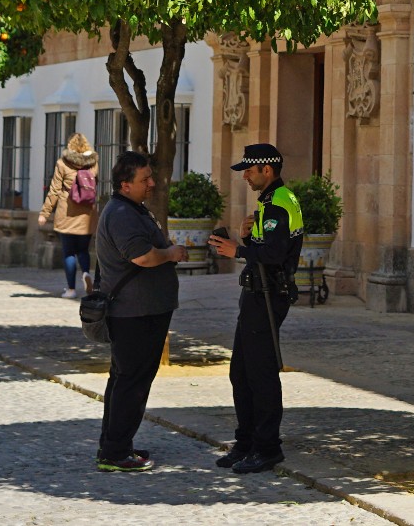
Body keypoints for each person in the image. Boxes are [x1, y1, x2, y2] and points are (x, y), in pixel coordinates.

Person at [207, 142, 302, 475]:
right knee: (241, 373)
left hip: (267, 295)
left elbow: (275, 255)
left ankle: (267, 448)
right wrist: (248, 239)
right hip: (257, 293)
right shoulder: (269, 201)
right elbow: (268, 247)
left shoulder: (279, 202)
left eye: (250, 169)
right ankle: (246, 442)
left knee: (259, 375)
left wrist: (238, 251)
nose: (245, 175)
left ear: (268, 170)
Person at [92, 150, 186, 473]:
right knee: (131, 381)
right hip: (134, 312)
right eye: (144, 179)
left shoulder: (131, 209)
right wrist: (171, 253)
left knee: (125, 379)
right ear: (124, 184)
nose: (152, 183)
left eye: (151, 176)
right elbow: (142, 257)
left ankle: (115, 443)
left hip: (142, 309)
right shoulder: (121, 213)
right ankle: (116, 452)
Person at [39, 132, 102, 298]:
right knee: (83, 250)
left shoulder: (62, 163)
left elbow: (54, 190)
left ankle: (71, 289)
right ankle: (87, 273)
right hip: (87, 213)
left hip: (67, 211)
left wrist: (45, 213)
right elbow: (95, 184)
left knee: (69, 252)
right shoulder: (93, 164)